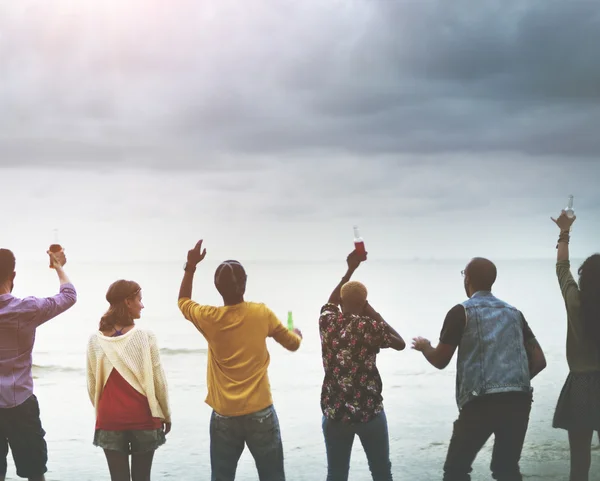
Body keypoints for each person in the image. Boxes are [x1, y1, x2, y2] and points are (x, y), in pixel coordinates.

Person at [177, 240, 303, 481]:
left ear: (217, 288)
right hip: (261, 412)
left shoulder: (209, 318)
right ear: (245, 283)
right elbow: (292, 344)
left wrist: (191, 267)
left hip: (224, 414)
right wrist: (296, 333)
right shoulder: (261, 313)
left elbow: (183, 301)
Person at [412, 257, 547, 481]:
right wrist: (509, 380)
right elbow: (540, 361)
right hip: (518, 400)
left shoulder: (461, 312)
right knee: (506, 470)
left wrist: (425, 347)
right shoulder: (514, 313)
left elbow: (440, 360)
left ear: (468, 279)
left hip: (480, 403)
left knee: (456, 470)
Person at [319, 250, 405, 481]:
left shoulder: (327, 322)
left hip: (336, 413)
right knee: (380, 471)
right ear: (363, 303)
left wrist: (350, 270)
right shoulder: (370, 328)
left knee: (336, 473)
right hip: (369, 412)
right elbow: (400, 343)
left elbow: (330, 301)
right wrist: (370, 310)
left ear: (342, 302)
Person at [0, 247, 77, 481]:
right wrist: (59, 267)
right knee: (35, 473)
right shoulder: (27, 309)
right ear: (13, 276)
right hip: (21, 404)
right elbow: (69, 295)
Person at [87, 280, 171, 481]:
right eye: (139, 300)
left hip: (109, 420)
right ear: (127, 302)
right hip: (143, 417)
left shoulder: (95, 340)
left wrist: (105, 411)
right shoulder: (145, 337)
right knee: (143, 478)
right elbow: (159, 381)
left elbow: (92, 387)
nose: (142, 305)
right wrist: (165, 414)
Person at [551, 210, 600, 481]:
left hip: (580, 386)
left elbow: (562, 267)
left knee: (579, 464)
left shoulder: (575, 301)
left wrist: (564, 232)